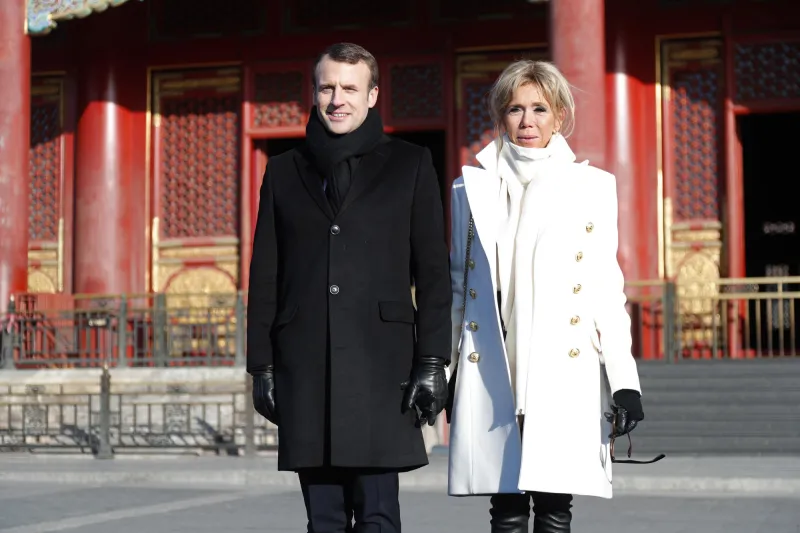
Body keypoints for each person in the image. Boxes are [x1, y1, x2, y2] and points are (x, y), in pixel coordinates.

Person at [246, 42, 452, 533]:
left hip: (383, 368)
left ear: (373, 94)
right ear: (315, 93)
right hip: (306, 365)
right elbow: (265, 275)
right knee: (323, 519)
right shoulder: (282, 171)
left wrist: (432, 361)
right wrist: (261, 366)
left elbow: (433, 271)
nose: (338, 98)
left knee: (379, 516)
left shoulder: (411, 163)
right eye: (327, 87)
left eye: (350, 88)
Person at [445, 60, 652, 533]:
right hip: (494, 361)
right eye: (515, 109)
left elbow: (605, 286)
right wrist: (447, 369)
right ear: (501, 114)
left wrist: (624, 379)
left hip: (562, 363)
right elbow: (459, 286)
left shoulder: (593, 187)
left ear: (559, 115)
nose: (527, 121)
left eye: (539, 108)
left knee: (555, 510)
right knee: (506, 510)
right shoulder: (469, 187)